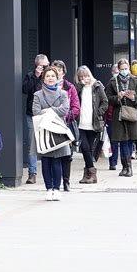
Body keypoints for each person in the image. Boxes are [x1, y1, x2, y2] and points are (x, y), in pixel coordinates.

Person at [32, 66, 69, 201]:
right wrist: (54, 111)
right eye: (47, 76)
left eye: (53, 76)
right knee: (46, 161)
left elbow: (64, 110)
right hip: (43, 130)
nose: (50, 78)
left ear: (57, 77)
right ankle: (48, 189)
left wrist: (47, 110)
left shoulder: (63, 93)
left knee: (57, 161)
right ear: (44, 78)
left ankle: (57, 189)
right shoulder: (37, 95)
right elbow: (36, 111)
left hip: (58, 130)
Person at [105, 58, 137, 177]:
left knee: (129, 140)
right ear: (118, 69)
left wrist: (133, 98)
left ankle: (129, 168)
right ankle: (125, 167)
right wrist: (118, 97)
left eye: (126, 69)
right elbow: (107, 98)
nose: (124, 71)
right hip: (119, 115)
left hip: (132, 113)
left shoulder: (135, 81)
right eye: (122, 69)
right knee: (122, 141)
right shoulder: (113, 82)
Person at [74, 65, 108, 184]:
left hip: (93, 123)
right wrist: (80, 85)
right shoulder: (78, 88)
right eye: (81, 77)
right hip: (81, 123)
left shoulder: (97, 86)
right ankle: (91, 173)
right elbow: (72, 98)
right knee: (84, 148)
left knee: (88, 149)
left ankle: (88, 174)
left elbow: (105, 102)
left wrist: (99, 113)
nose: (84, 78)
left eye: (86, 75)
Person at [52, 60, 80, 191]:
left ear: (63, 72)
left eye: (59, 70)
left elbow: (76, 107)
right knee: (53, 154)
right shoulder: (46, 86)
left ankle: (66, 181)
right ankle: (54, 182)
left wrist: (65, 115)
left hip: (66, 124)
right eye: (54, 70)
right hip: (51, 124)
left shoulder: (70, 87)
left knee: (67, 155)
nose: (57, 72)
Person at [22, 54, 49, 184]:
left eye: (47, 65)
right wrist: (36, 76)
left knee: (48, 143)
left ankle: (48, 172)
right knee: (33, 144)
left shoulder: (50, 76)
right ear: (37, 65)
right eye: (43, 66)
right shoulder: (30, 75)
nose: (45, 68)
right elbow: (25, 89)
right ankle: (32, 173)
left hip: (47, 114)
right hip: (32, 114)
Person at [105, 64, 120, 170]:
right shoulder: (109, 84)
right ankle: (113, 162)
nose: (116, 73)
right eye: (114, 71)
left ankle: (125, 162)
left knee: (122, 141)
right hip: (111, 117)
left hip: (123, 116)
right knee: (113, 140)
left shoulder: (128, 83)